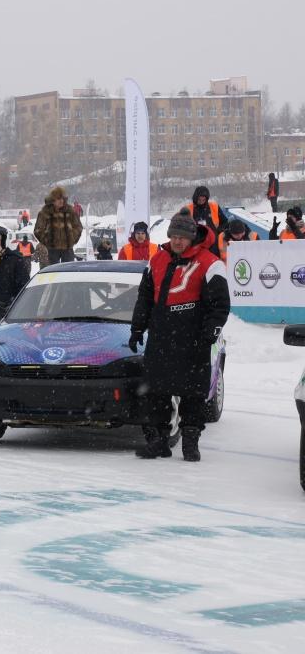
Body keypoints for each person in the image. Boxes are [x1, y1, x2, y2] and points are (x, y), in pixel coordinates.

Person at [129, 209, 230, 461]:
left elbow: (220, 305)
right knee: (156, 393)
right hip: (161, 338)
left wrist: (210, 332)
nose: (177, 241)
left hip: (194, 339)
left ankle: (190, 444)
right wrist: (137, 328)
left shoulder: (210, 263)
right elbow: (144, 298)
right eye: (174, 235)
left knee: (192, 394)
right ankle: (159, 442)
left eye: (182, 237)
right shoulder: (157, 260)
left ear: (192, 237)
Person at [33, 186, 82, 264]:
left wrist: (72, 238)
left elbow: (78, 227)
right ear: (53, 200)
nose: (61, 201)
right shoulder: (45, 212)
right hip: (52, 249)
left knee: (68, 272)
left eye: (62, 198)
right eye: (59, 199)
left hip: (67, 248)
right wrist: (47, 241)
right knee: (53, 272)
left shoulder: (70, 211)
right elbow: (38, 230)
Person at [185, 186, 226, 257]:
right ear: (195, 197)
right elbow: (181, 227)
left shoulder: (214, 207)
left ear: (206, 198)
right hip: (196, 243)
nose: (201, 200)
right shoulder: (188, 209)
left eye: (203, 199)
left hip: (214, 244)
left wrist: (219, 231)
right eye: (199, 199)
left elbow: (225, 222)